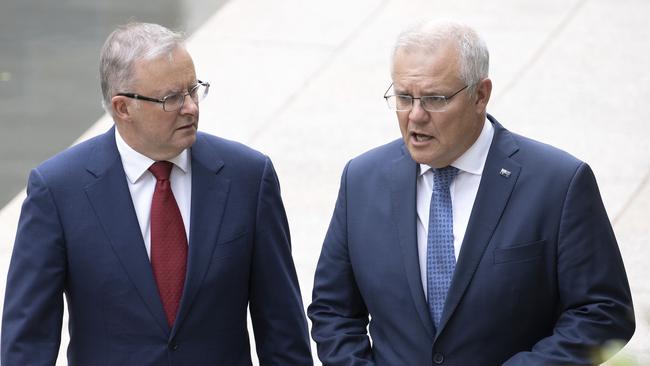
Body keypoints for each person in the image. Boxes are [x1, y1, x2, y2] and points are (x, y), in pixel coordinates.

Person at [308, 20, 634, 365]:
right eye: (404, 97)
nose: (415, 116)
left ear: (480, 95)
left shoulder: (558, 183)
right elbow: (333, 310)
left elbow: (604, 312)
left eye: (435, 99)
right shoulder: (361, 180)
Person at [1, 22, 313, 365]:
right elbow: (26, 345)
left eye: (193, 90)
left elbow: (283, 331)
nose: (191, 108)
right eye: (171, 98)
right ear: (123, 108)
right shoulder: (58, 190)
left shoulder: (249, 178)